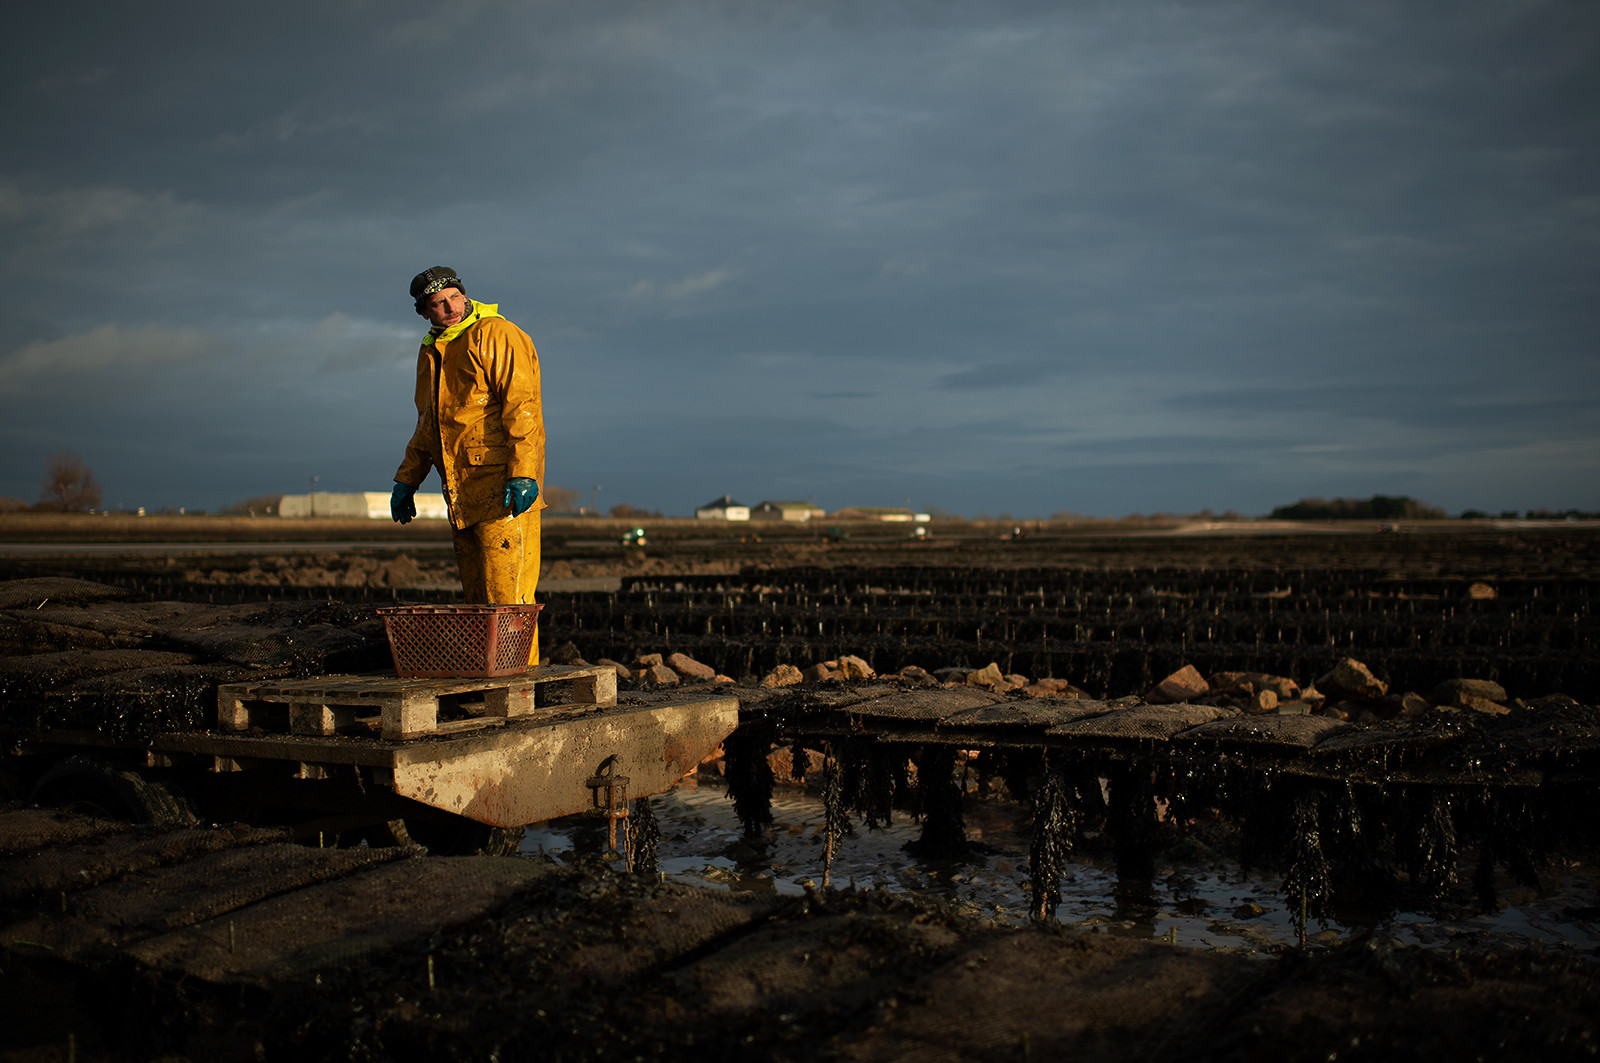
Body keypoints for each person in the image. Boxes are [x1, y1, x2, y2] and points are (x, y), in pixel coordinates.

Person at [389, 266, 545, 663]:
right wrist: (408, 479)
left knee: (509, 598)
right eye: (437, 303)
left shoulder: (495, 334)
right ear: (424, 312)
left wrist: (524, 471)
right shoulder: (432, 351)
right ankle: (490, 677)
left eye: (454, 297)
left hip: (501, 487)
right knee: (479, 603)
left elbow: (522, 407)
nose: (449, 307)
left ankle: (518, 682)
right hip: (460, 492)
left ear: (464, 294)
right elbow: (430, 423)